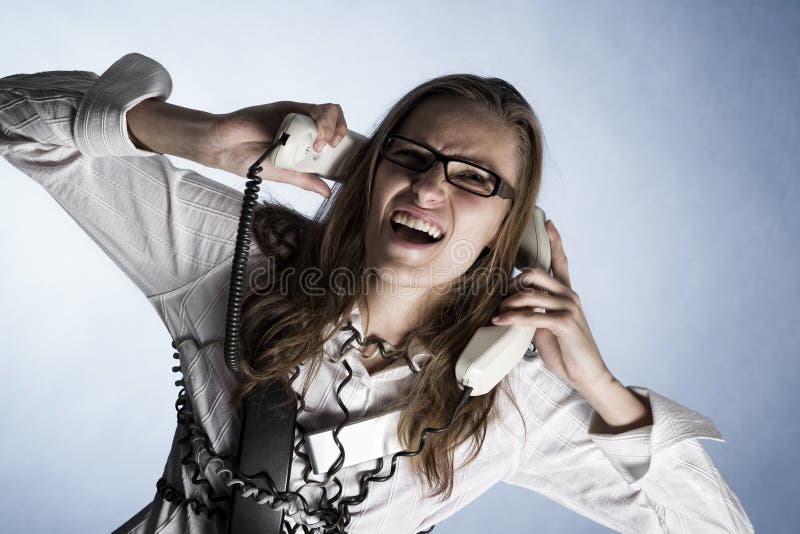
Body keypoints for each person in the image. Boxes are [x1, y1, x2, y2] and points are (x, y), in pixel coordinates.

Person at [0, 53, 754, 534]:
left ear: (509, 230)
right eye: (411, 156)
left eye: (473, 178)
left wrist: (602, 388)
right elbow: (15, 118)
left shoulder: (512, 402)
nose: (429, 186)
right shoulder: (239, 257)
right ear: (366, 169)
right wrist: (188, 130)